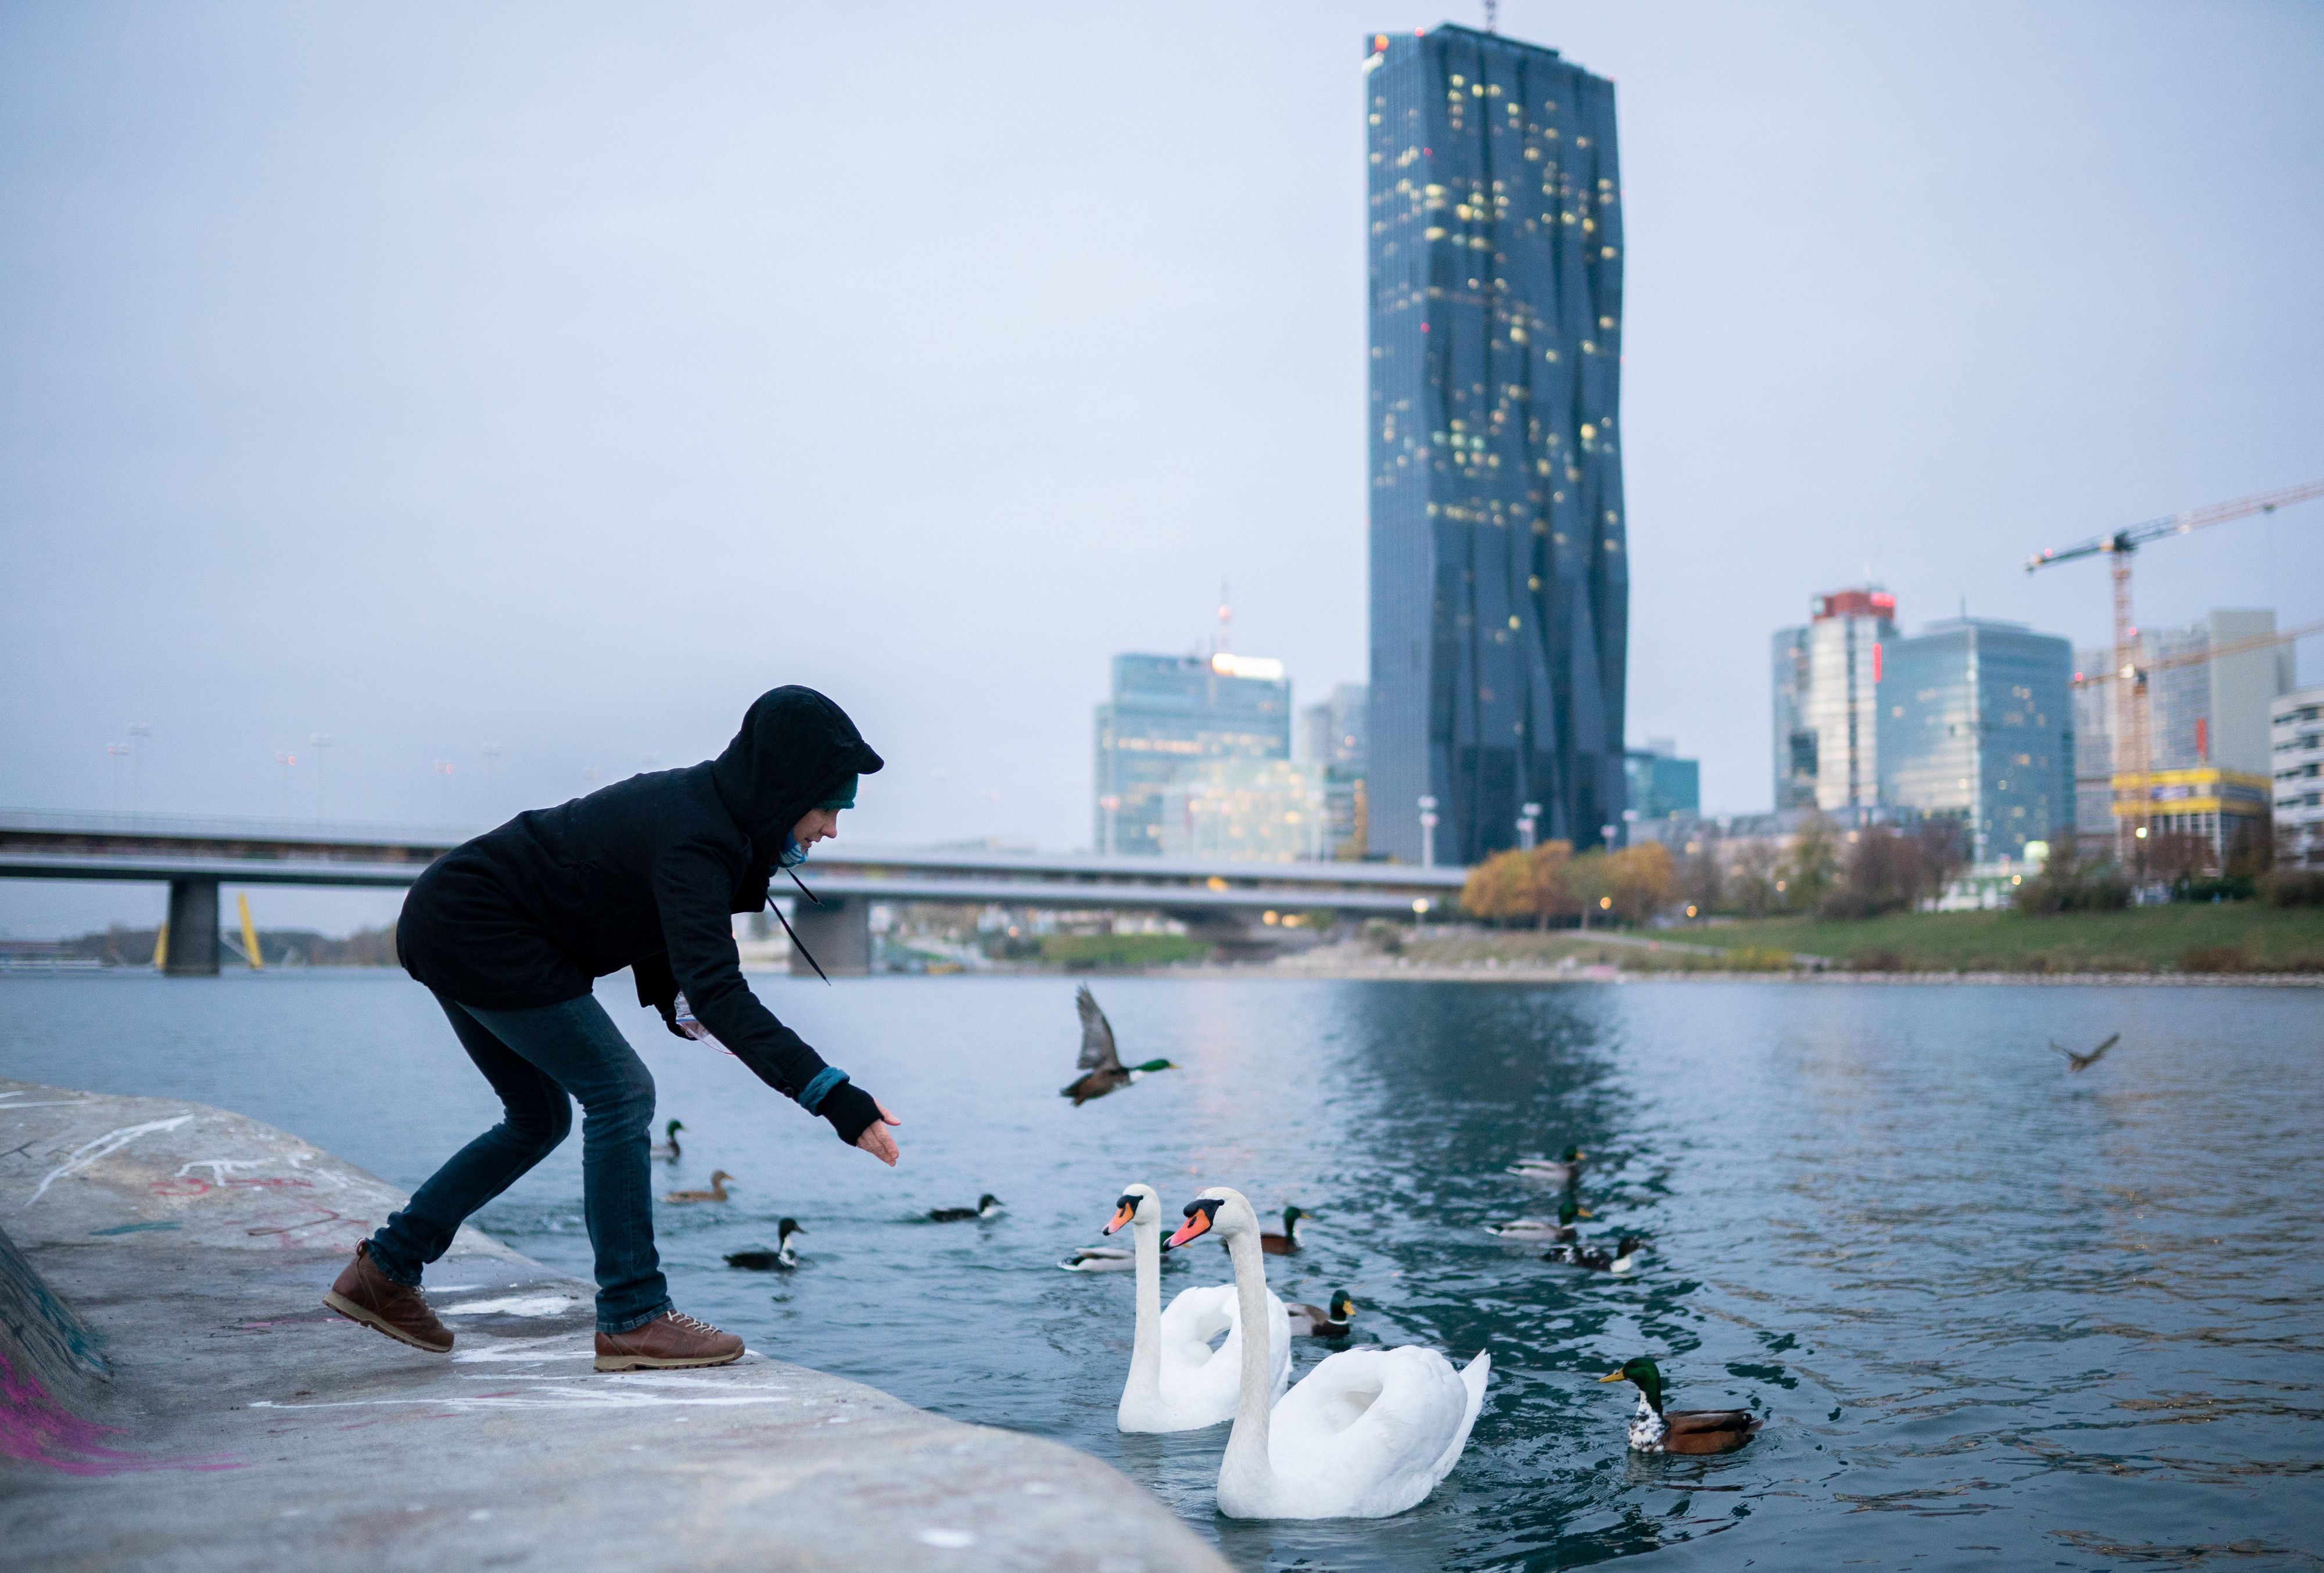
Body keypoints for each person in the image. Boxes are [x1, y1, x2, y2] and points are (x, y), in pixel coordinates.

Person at [323, 686, 898, 1371]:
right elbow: (719, 990)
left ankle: (386, 1269)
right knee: (622, 1092)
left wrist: (672, 995)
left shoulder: (701, 811)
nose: (831, 829)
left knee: (538, 1119)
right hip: (482, 928)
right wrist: (833, 1095)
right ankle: (633, 1314)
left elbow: (636, 900)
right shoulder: (698, 836)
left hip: (449, 915)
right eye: (828, 807)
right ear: (785, 790)